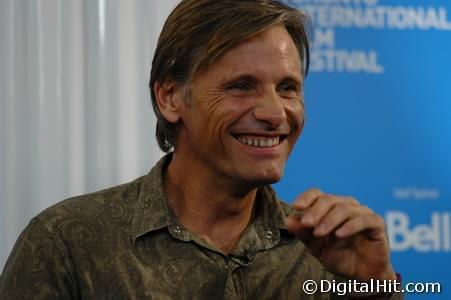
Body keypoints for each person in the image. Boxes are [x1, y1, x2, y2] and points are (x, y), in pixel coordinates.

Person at [0, 0, 402, 299]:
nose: (274, 113)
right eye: (241, 85)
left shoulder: (325, 249)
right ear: (171, 97)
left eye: (288, 88)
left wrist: (375, 287)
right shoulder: (67, 243)